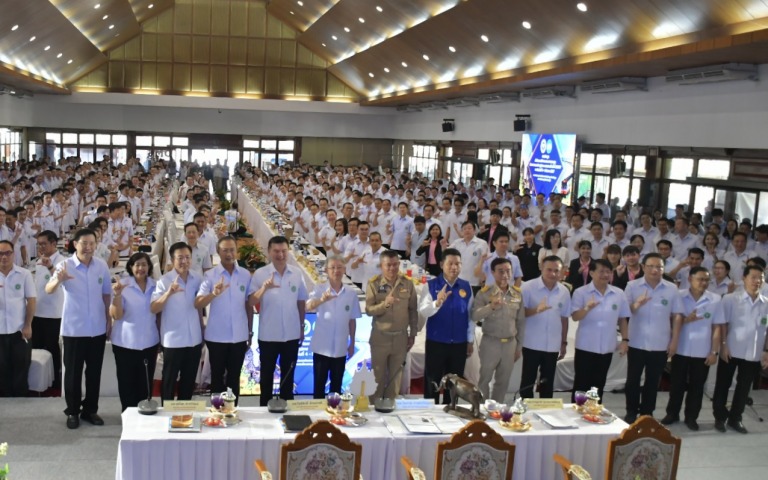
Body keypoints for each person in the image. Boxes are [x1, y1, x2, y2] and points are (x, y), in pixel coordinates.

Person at [46, 228, 111, 429]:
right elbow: (48, 290)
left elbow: (106, 294)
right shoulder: (64, 265)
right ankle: (72, 411)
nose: (88, 247)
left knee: (94, 373)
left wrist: (108, 319)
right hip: (73, 330)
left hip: (97, 329)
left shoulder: (101, 266)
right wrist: (59, 279)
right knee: (73, 374)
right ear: (75, 244)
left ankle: (90, 410)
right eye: (84, 243)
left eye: (92, 243)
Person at [623, 252, 683, 423]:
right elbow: (625, 312)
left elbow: (677, 316)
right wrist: (637, 304)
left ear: (664, 269)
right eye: (651, 266)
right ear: (643, 267)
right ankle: (631, 411)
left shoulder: (671, 288)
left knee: (652, 381)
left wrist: (674, 341)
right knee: (632, 380)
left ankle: (647, 412)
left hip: (660, 343)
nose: (655, 270)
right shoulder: (632, 286)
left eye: (659, 267)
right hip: (636, 341)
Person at [661, 266, 723, 430]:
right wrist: (686, 320)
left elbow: (717, 327)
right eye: (700, 279)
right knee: (676, 385)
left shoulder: (715, 299)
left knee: (697, 387)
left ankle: (691, 417)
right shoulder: (679, 296)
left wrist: (714, 351)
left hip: (702, 351)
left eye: (706, 280)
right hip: (680, 348)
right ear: (690, 279)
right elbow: (669, 321)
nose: (703, 283)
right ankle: (672, 413)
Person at [195, 237, 255, 402]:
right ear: (218, 252)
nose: (229, 254)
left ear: (237, 251)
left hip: (239, 335)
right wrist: (213, 294)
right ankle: (216, 411)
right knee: (216, 378)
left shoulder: (245, 275)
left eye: (232, 250)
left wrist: (250, 331)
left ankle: (232, 411)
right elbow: (198, 302)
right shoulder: (210, 275)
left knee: (234, 378)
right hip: (216, 336)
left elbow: (249, 305)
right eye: (225, 250)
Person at [250, 236, 308, 406]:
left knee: (288, 378)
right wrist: (264, 288)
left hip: (291, 334)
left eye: (283, 251)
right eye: (276, 251)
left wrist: (301, 327)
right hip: (268, 335)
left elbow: (301, 301)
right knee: (266, 377)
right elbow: (251, 302)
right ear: (269, 252)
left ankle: (287, 412)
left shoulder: (297, 273)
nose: (280, 255)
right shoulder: (261, 274)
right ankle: (264, 411)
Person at [712, 265, 768, 434]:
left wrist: (766, 351)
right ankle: (720, 417)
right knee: (722, 385)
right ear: (744, 278)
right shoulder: (730, 299)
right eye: (753, 277)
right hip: (730, 349)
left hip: (753, 353)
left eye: (761, 277)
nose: (757, 281)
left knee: (744, 388)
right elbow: (723, 324)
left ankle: (736, 419)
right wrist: (723, 346)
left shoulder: (766, 304)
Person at [418, 248, 474, 403]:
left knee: (455, 384)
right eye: (450, 263)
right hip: (436, 341)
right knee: (433, 381)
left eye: (457, 263)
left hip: (458, 343)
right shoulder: (431, 285)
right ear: (442, 264)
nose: (454, 267)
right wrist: (437, 302)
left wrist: (469, 340)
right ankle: (429, 414)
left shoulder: (466, 287)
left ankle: (451, 411)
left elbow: (470, 316)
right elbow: (423, 311)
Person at [151, 241, 204, 402]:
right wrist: (168, 293)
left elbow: (200, 308)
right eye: (180, 258)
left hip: (194, 338)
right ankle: (167, 415)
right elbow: (154, 308)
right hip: (173, 340)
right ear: (172, 260)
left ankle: (185, 415)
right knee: (169, 381)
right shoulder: (164, 281)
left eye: (187, 257)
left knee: (188, 382)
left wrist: (202, 331)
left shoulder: (198, 279)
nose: (184, 262)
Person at [571, 259, 630, 402]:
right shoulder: (581, 292)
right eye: (601, 271)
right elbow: (574, 316)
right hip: (586, 346)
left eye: (608, 272)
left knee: (599, 384)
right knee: (581, 384)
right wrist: (587, 308)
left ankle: (594, 414)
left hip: (606, 347)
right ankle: (575, 413)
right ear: (591, 273)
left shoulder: (618, 293)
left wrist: (625, 340)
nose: (605, 275)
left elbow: (623, 319)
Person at [365, 250, 418, 400]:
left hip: (400, 338)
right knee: (377, 377)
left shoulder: (407, 283)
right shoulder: (374, 284)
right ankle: (375, 409)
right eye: (388, 265)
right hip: (380, 338)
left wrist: (413, 333)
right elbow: (369, 310)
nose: (392, 268)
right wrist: (385, 305)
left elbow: (413, 310)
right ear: (381, 265)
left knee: (395, 378)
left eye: (395, 265)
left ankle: (390, 409)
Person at [109, 252, 159, 411]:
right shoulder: (122, 286)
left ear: (149, 267)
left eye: (144, 264)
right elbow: (116, 315)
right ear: (131, 267)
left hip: (149, 342)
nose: (141, 268)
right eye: (137, 265)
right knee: (126, 383)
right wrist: (117, 295)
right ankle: (128, 415)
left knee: (145, 383)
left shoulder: (156, 286)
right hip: (125, 343)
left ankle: (143, 416)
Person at [306, 255, 361, 398]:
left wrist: (352, 342)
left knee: (336, 388)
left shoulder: (351, 293)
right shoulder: (320, 288)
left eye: (339, 267)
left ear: (344, 270)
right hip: (322, 347)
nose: (336, 270)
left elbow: (352, 319)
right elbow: (308, 306)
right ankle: (317, 417)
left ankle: (335, 417)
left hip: (340, 348)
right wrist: (322, 300)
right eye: (333, 267)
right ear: (326, 270)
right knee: (319, 386)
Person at [472, 257, 524, 402]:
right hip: (490, 342)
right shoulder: (485, 293)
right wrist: (491, 307)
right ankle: (481, 409)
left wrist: (519, 347)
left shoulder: (517, 293)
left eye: (508, 271)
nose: (505, 275)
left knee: (503, 381)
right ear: (493, 273)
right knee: (484, 379)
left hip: (510, 344)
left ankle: (497, 409)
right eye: (501, 271)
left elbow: (521, 322)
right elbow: (474, 315)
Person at [519, 255, 571, 398]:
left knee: (547, 382)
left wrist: (563, 342)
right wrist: (536, 310)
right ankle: (524, 413)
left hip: (553, 344)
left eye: (556, 271)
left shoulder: (564, 291)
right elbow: (519, 314)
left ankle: (545, 413)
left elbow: (564, 319)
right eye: (549, 270)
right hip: (531, 342)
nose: (553, 274)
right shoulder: (528, 287)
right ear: (541, 267)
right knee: (528, 381)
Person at [0, 240, 36, 397]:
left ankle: (21, 402)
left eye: (7, 253)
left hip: (19, 330)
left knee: (21, 367)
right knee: (2, 369)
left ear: (13, 254)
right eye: (0, 254)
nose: (4, 257)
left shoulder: (24, 274)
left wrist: (28, 325)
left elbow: (31, 300)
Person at [31, 230, 65, 391]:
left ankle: (56, 381)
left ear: (53, 243)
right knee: (36, 347)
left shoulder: (62, 261)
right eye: (39, 244)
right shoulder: (38, 261)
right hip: (37, 311)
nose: (41, 247)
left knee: (52, 348)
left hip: (54, 313)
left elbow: (61, 281)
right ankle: (40, 380)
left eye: (44, 243)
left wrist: (50, 266)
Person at [449, 221, 488, 295]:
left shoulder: (482, 243)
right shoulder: (457, 242)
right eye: (464, 229)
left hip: (474, 281)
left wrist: (484, 277)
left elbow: (486, 261)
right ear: (462, 231)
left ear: (474, 230)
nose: (467, 230)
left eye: (469, 228)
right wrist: (443, 246)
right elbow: (447, 254)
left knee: (473, 305)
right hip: (458, 280)